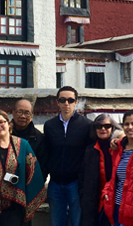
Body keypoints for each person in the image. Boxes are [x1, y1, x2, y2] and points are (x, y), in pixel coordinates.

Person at [44, 86, 93, 226]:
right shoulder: (50, 126)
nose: (67, 103)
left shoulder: (86, 125)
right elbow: (47, 151)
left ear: (76, 102)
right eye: (63, 100)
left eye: (70, 100)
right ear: (57, 102)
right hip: (55, 183)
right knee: (57, 222)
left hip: (75, 183)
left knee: (78, 222)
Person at [80, 114, 123, 226]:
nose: (103, 129)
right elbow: (82, 175)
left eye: (107, 126)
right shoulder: (89, 149)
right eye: (99, 126)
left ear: (113, 128)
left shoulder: (120, 147)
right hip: (94, 201)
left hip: (116, 200)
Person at [12, 98, 49, 180]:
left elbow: (43, 167)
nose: (23, 116)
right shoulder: (4, 134)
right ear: (13, 113)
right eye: (19, 112)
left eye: (27, 113)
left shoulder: (39, 138)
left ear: (32, 116)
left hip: (30, 184)